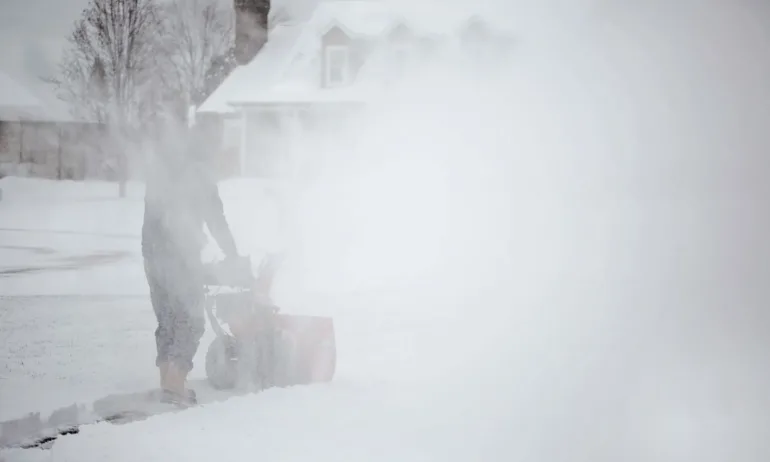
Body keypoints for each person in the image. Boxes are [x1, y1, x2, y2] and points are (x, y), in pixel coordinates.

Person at [142, 120, 240, 406]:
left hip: (151, 253)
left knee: (168, 318)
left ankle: (166, 381)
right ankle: (175, 387)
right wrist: (232, 255)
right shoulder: (200, 173)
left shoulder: (162, 169)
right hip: (179, 256)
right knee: (192, 318)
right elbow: (216, 221)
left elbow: (157, 216)